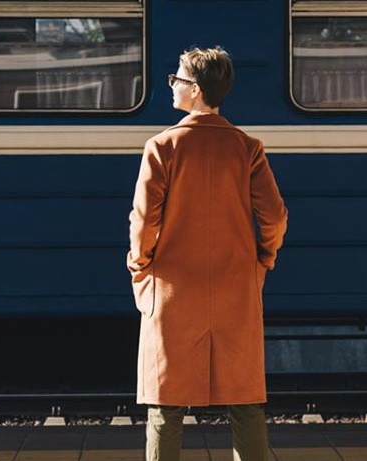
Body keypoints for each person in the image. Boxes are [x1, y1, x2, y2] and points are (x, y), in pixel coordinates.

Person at [127, 47, 288, 461]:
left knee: (166, 407)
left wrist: (140, 265)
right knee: (246, 405)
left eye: (177, 80)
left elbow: (144, 221)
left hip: (173, 289)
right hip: (236, 287)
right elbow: (273, 215)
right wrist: (263, 259)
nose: (172, 86)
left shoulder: (162, 146)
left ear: (195, 90)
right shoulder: (247, 148)